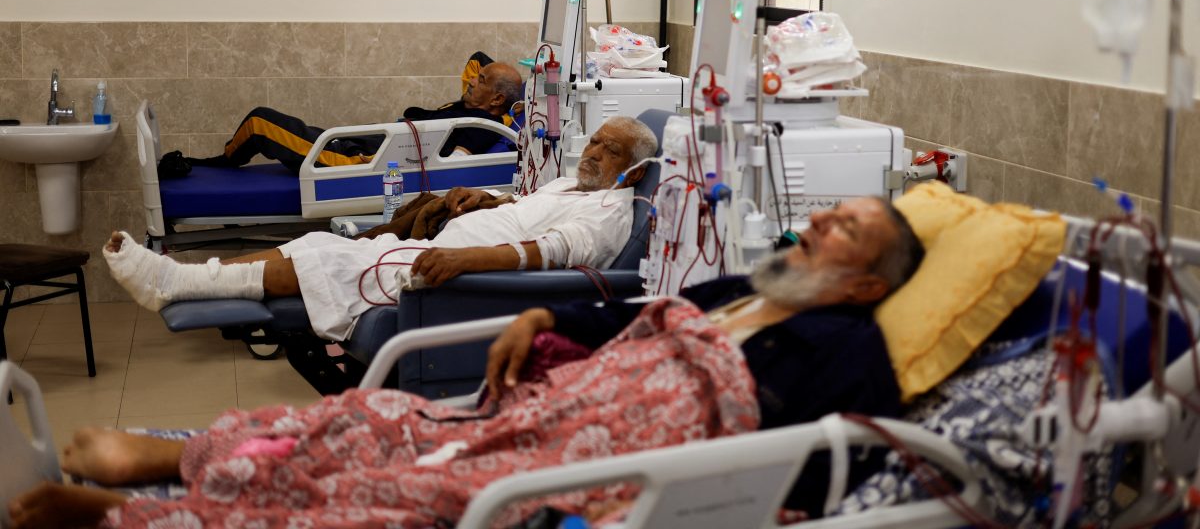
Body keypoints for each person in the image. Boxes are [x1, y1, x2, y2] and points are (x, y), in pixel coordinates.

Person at [6, 196, 923, 529]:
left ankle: (142, 517)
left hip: (630, 446)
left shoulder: (852, 349)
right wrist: (541, 314)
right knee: (384, 418)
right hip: (572, 397)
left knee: (433, 490)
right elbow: (630, 318)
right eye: (828, 212)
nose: (816, 225)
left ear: (865, 285)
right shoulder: (743, 287)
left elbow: (841, 460)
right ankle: (177, 461)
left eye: (845, 228)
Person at [104, 116, 660, 342]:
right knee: (319, 242)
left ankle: (176, 283)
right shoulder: (572, 186)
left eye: (608, 149)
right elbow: (528, 211)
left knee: (329, 262)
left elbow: (548, 251)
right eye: (594, 140)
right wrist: (491, 198)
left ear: (632, 168)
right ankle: (182, 275)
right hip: (433, 249)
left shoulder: (607, 213)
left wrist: (465, 260)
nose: (592, 151)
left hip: (454, 278)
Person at [187, 58, 524, 173]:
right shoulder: (472, 107)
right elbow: (478, 58)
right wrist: (519, 103)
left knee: (261, 121)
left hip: (365, 160)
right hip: (370, 141)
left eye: (479, 81)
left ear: (495, 97)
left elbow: (453, 163)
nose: (469, 81)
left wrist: (512, 110)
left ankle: (219, 164)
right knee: (272, 124)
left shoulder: (484, 124)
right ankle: (222, 162)